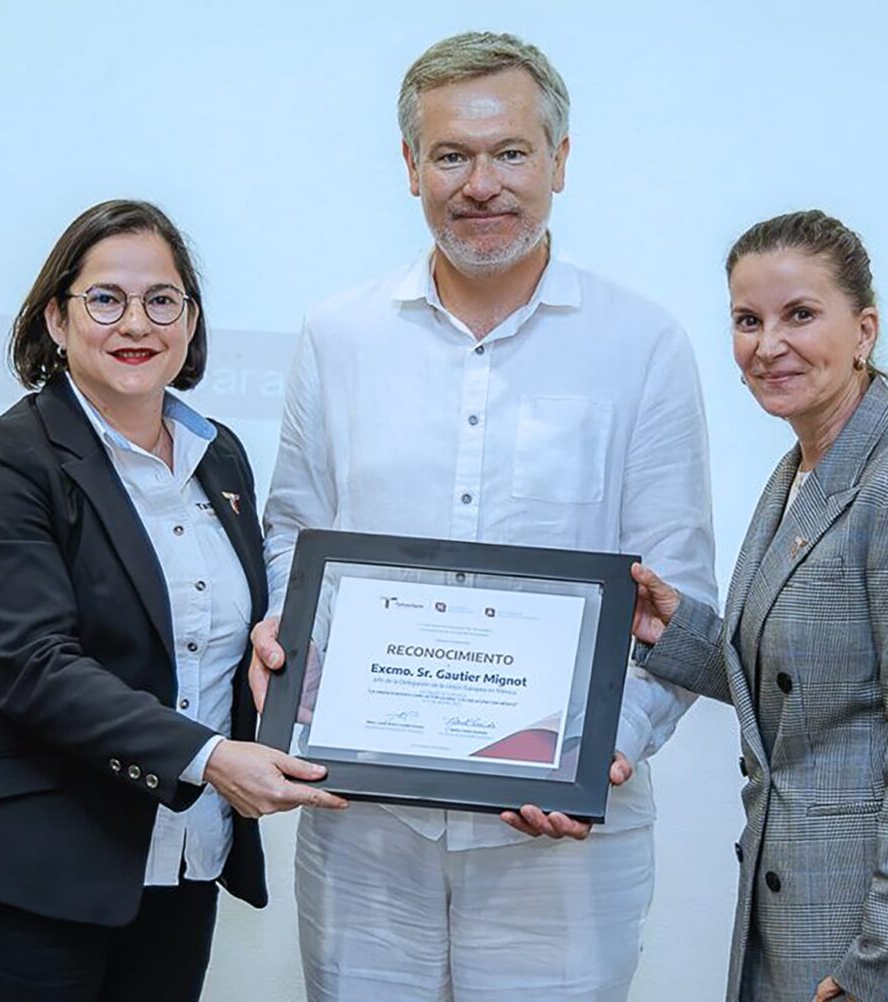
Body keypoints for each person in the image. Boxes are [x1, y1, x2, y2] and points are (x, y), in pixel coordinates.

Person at [252, 31, 716, 1002]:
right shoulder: (339, 336)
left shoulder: (642, 344)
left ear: (560, 159)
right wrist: (280, 649)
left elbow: (682, 588)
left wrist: (603, 750)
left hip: (561, 843)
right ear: (411, 165)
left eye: (510, 152)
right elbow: (292, 536)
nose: (482, 184)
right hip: (366, 823)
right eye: (452, 155)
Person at [0, 199, 346, 1002]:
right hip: (30, 877)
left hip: (182, 860)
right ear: (56, 318)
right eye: (105, 299)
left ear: (191, 320)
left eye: (161, 300)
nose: (135, 323)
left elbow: (234, 634)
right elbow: (34, 669)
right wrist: (213, 759)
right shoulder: (3, 464)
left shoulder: (222, 460)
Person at [631, 209, 888, 1002]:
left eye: (800, 314)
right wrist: (676, 631)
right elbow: (812, 679)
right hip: (797, 912)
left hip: (879, 934)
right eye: (748, 320)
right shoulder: (802, 471)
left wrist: (883, 967)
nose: (767, 344)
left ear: (865, 330)